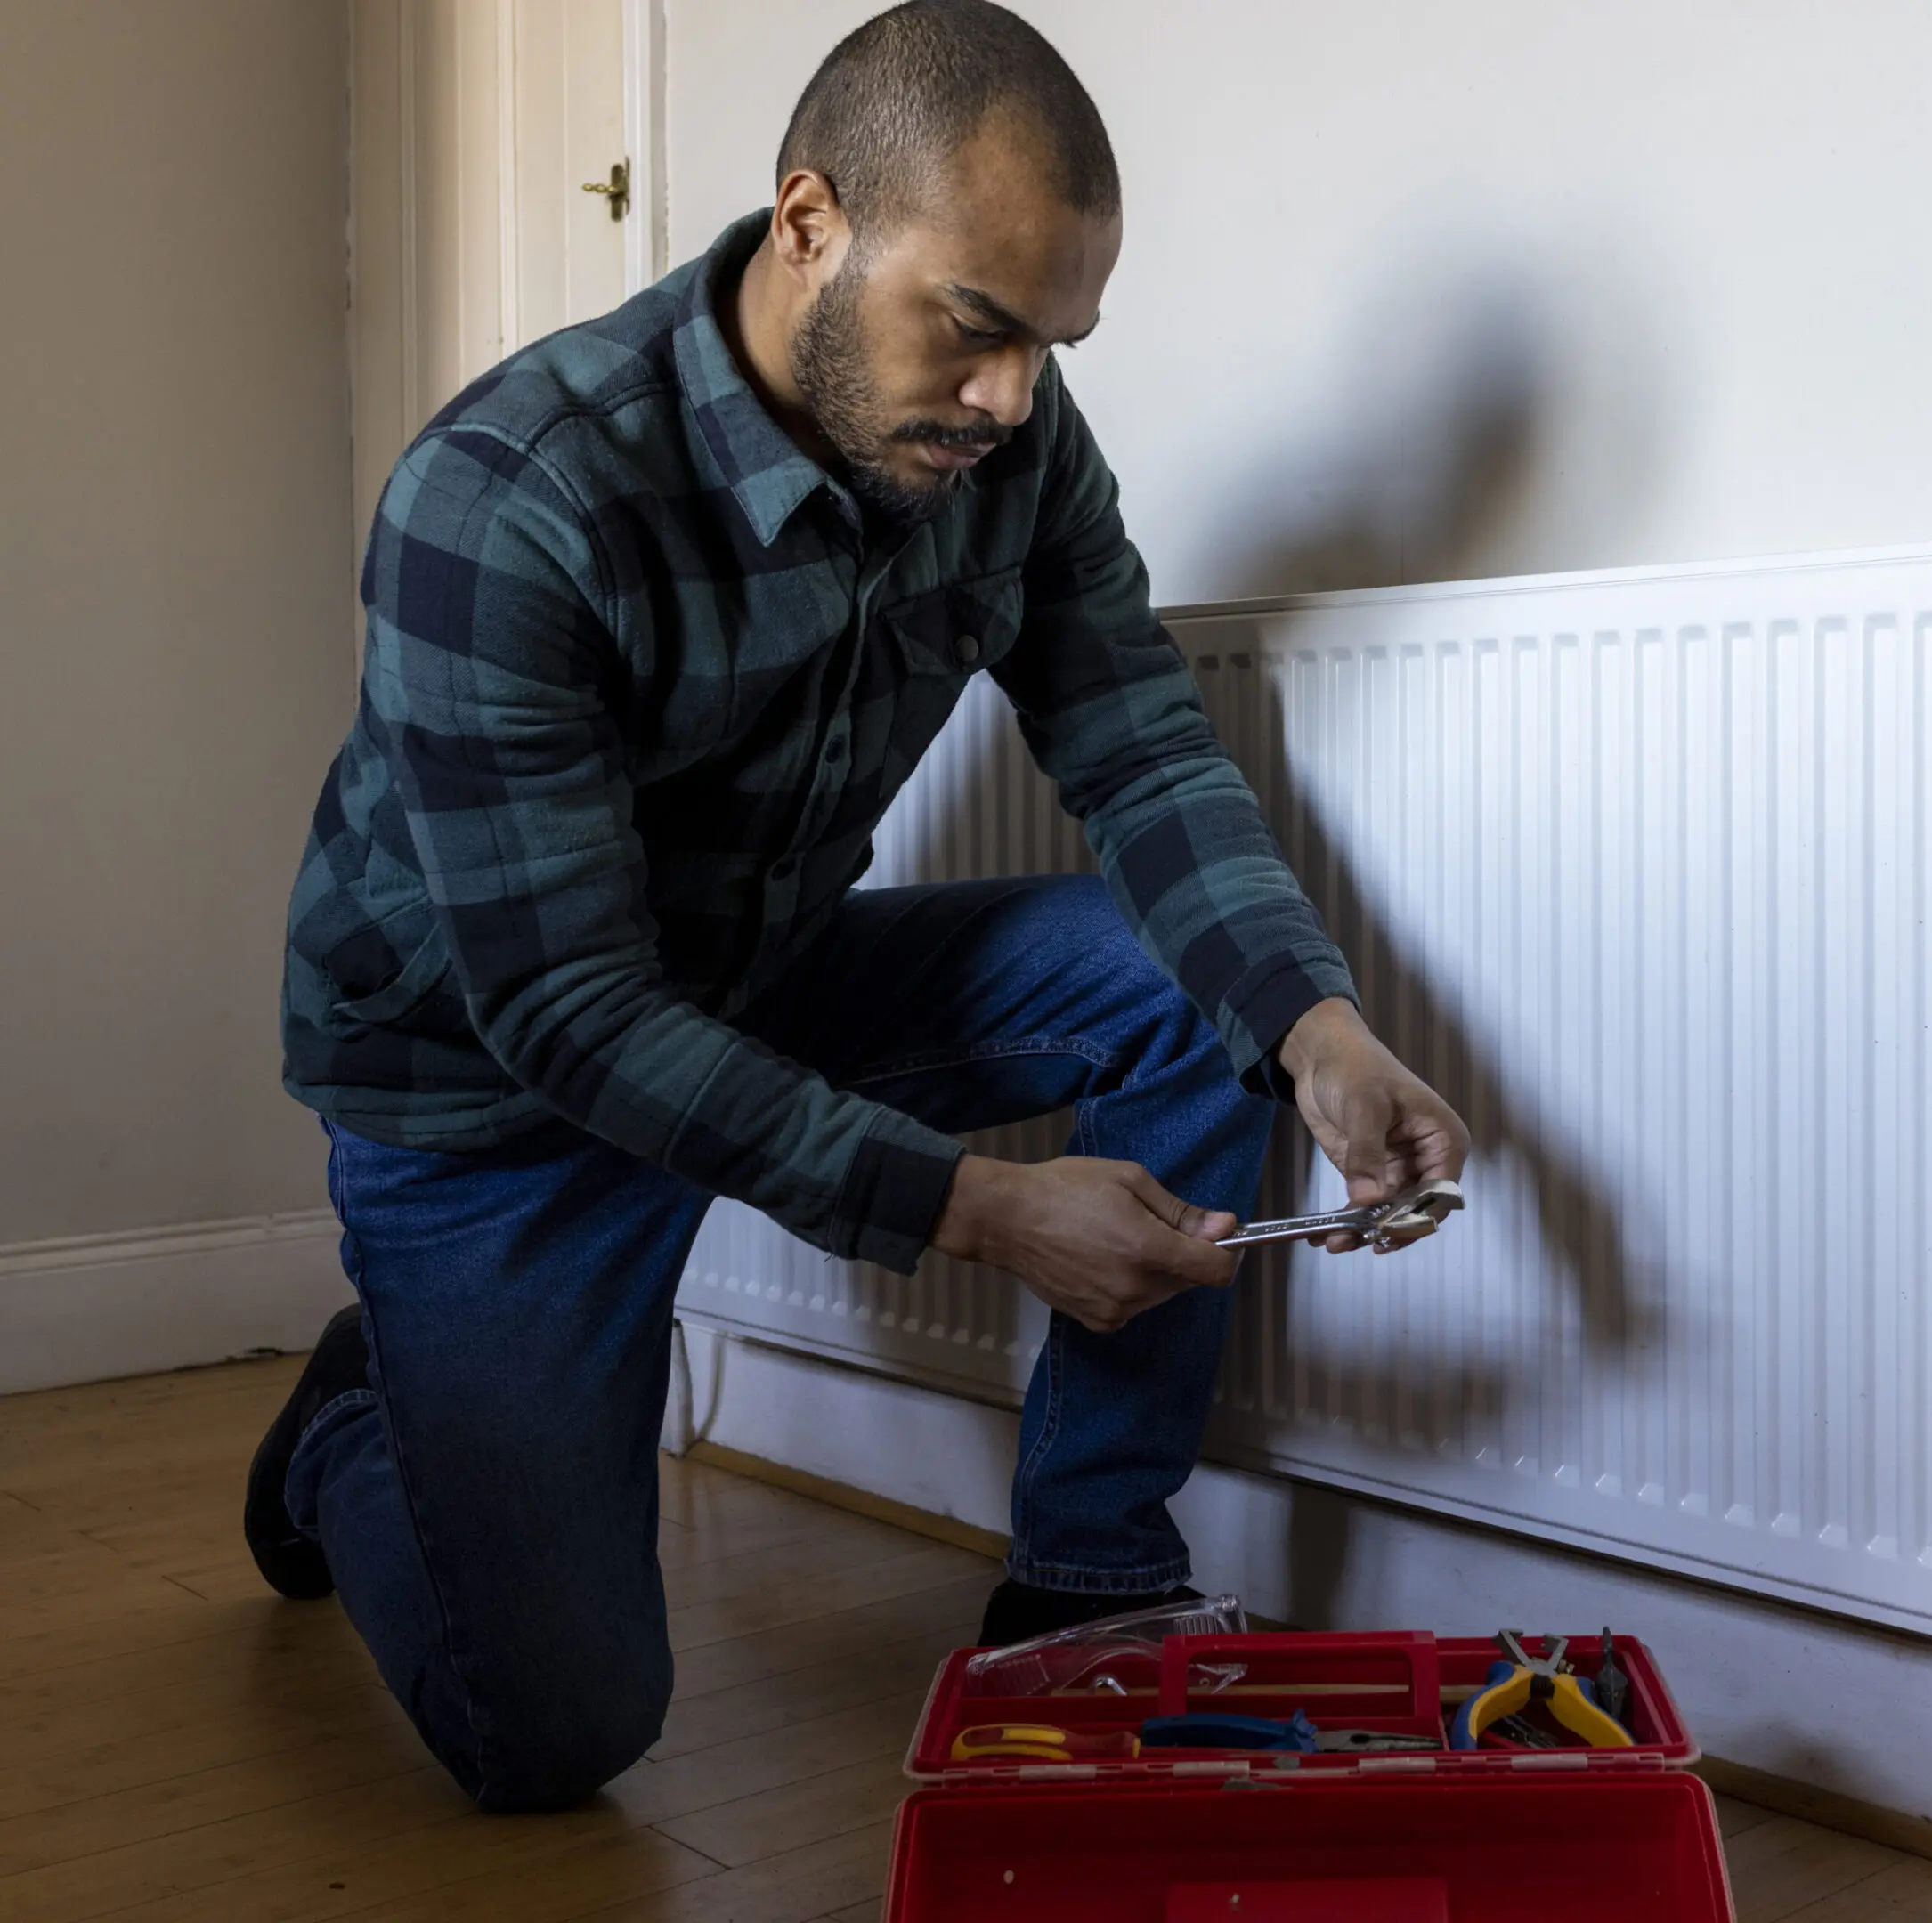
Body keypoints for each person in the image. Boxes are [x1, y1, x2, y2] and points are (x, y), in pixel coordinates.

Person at [248, 0, 1468, 1813]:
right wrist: (980, 1207)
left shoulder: (1013, 449)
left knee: (1192, 992)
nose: (1008, 398)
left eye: (1049, 346)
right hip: (487, 1100)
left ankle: (1086, 1575)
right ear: (808, 222)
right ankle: (358, 1427)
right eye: (973, 328)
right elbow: (571, 1013)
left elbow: (1136, 747)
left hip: (756, 984)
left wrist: (1320, 1029)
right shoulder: (508, 497)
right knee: (552, 1738)